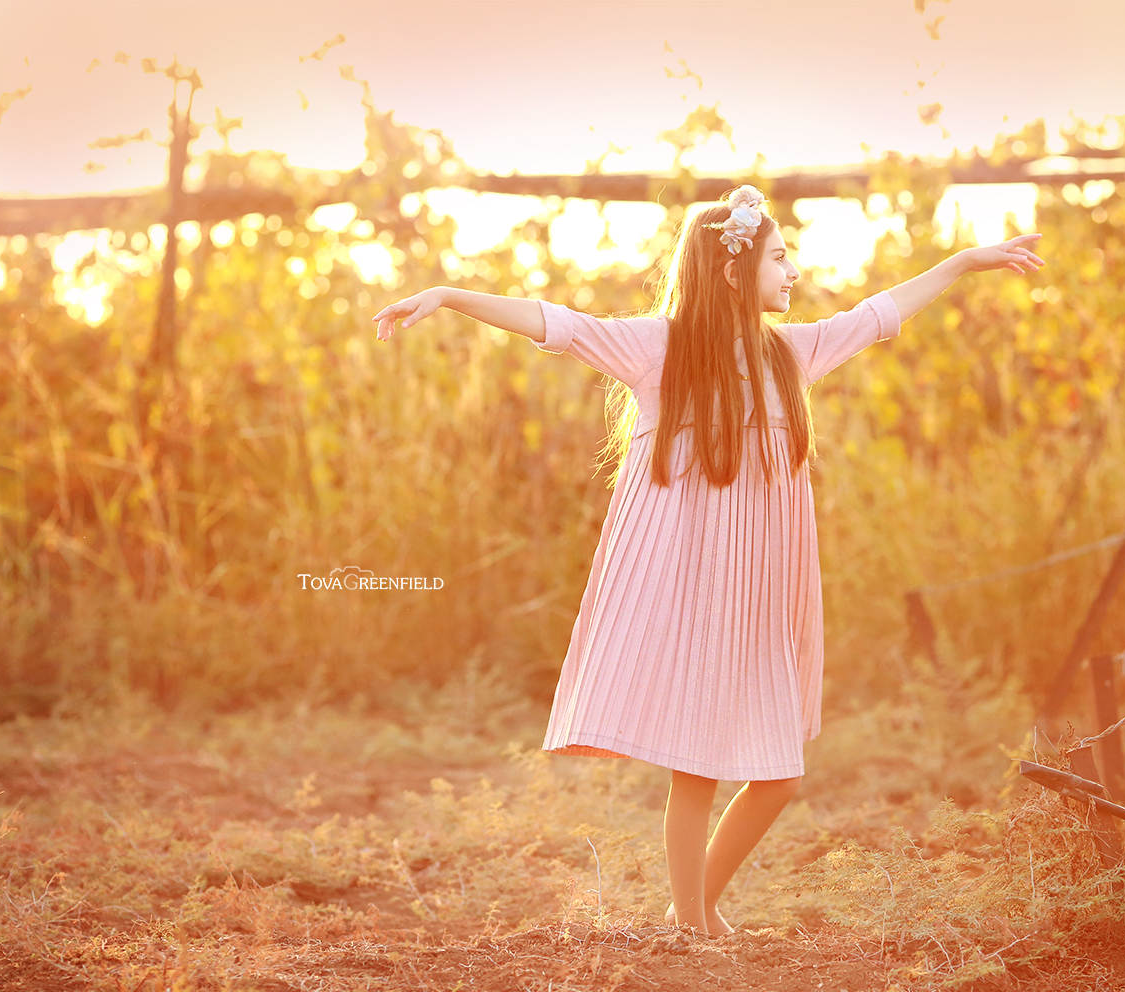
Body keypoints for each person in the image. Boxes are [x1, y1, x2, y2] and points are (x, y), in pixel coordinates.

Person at [373, 185, 1044, 935]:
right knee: (696, 769)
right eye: (779, 258)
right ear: (733, 271)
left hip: (760, 596)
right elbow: (554, 322)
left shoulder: (792, 353)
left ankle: (691, 913)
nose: (793, 272)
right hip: (691, 591)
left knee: (779, 778)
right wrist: (448, 296)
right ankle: (693, 926)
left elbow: (879, 313)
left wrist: (964, 262)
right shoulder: (657, 349)